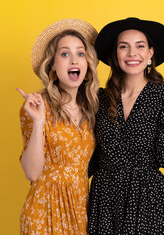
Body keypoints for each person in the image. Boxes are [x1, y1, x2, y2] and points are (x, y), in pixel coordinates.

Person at [88, 17, 164, 235]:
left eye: (140, 46)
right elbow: (90, 155)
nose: (132, 53)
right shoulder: (99, 98)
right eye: (123, 47)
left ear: (150, 54)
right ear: (115, 55)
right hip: (106, 202)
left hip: (147, 202)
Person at [16, 18, 99, 235]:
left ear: (87, 63)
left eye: (80, 53)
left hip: (82, 208)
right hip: (45, 211)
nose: (74, 60)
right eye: (65, 54)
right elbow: (32, 173)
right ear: (52, 65)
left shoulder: (92, 107)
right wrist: (39, 121)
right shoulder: (37, 106)